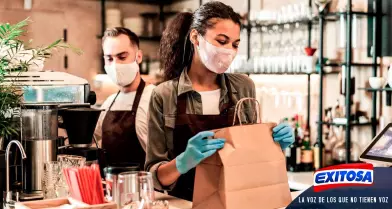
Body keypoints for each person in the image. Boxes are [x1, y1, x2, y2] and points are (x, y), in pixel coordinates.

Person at [145, 1, 295, 201]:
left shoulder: (243, 87)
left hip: (237, 201)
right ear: (196, 37)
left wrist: (275, 143)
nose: (229, 51)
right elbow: (155, 178)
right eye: (221, 41)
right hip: (185, 204)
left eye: (235, 44)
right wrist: (183, 161)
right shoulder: (164, 95)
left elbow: (252, 159)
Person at [94, 27, 155, 169]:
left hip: (142, 187)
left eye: (122, 57)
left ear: (138, 57)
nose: (115, 65)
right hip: (109, 186)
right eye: (109, 59)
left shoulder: (154, 98)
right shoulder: (108, 103)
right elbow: (94, 140)